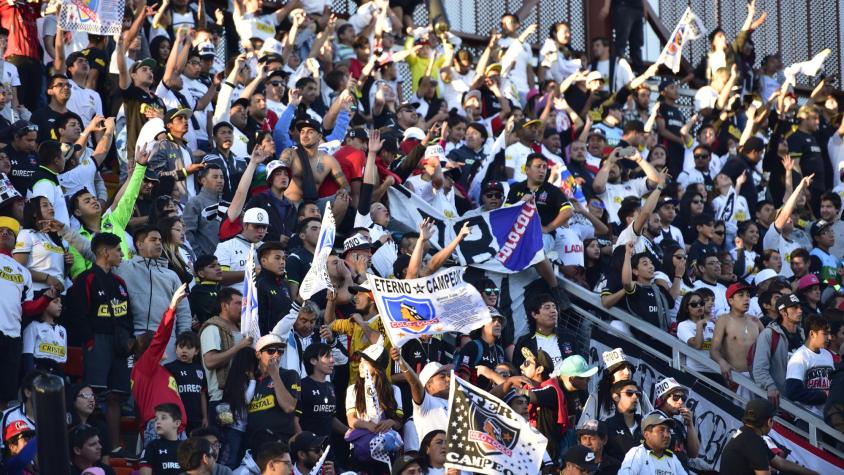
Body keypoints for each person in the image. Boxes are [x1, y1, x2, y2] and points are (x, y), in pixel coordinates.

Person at [66, 232, 132, 454]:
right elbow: (79, 315)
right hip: (97, 341)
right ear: (105, 252)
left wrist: (129, 340)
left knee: (116, 396)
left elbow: (128, 316)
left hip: (119, 345)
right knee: (93, 394)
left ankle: (113, 447)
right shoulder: (86, 279)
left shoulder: (120, 282)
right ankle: (87, 444)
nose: (121, 254)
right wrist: (90, 341)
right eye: (117, 250)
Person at [115, 225, 192, 361]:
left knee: (164, 382)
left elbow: (183, 312)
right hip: (135, 340)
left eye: (160, 240)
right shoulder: (124, 267)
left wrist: (184, 340)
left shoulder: (172, 275)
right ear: (139, 244)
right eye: (153, 239)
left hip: (168, 341)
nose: (158, 243)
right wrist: (67, 233)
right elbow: (94, 253)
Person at [200, 288, 252, 420]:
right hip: (222, 398)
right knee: (227, 439)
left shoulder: (244, 330)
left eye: (244, 304)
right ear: (224, 305)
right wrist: (238, 347)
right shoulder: (212, 327)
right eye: (238, 303)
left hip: (245, 396)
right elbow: (210, 361)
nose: (242, 307)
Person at [245, 334, 300, 453]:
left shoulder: (289, 375)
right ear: (258, 354)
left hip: (278, 442)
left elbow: (289, 407)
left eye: (280, 352)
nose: (276, 355)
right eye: (271, 351)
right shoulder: (250, 378)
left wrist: (275, 375)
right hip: (251, 443)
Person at [753, 293, 805, 407]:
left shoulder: (802, 334)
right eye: (795, 308)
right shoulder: (769, 334)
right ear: (782, 312)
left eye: (801, 307)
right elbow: (759, 368)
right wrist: (770, 386)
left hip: (801, 399)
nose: (800, 311)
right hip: (779, 401)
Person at [710, 282, 763, 393]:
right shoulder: (723, 320)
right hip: (737, 377)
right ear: (730, 301)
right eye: (741, 295)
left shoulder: (755, 320)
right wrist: (722, 362)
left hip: (759, 377)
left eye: (748, 295)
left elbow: (769, 346)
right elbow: (714, 350)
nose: (746, 299)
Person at [786, 315, 835, 416]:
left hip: (827, 416)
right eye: (825, 333)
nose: (829, 337)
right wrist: (823, 395)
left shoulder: (827, 354)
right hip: (807, 418)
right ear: (812, 333)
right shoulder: (799, 357)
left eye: (829, 333)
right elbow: (793, 392)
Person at [618, 410, 688, 475]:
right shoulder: (637, 453)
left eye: (668, 431)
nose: (667, 435)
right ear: (647, 435)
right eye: (661, 430)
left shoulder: (672, 457)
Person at [165, 331, 209, 434]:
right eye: (181, 347)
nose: (184, 351)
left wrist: (205, 417)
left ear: (197, 351)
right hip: (176, 417)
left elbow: (202, 394)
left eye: (189, 348)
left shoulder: (200, 370)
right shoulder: (169, 368)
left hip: (196, 418)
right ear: (176, 349)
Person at [652, 378, 699, 470]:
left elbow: (694, 453)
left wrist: (690, 425)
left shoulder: (678, 424)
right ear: (662, 398)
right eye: (676, 397)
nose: (681, 401)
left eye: (683, 398)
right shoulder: (653, 419)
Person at [719, 399, 776, 474]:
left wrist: (797, 468)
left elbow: (779, 462)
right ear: (769, 422)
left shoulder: (746, 433)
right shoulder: (754, 441)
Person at [139, 403, 184, 475]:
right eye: (156, 419)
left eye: (163, 418)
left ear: (177, 423)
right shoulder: (152, 446)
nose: (158, 422)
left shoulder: (186, 447)